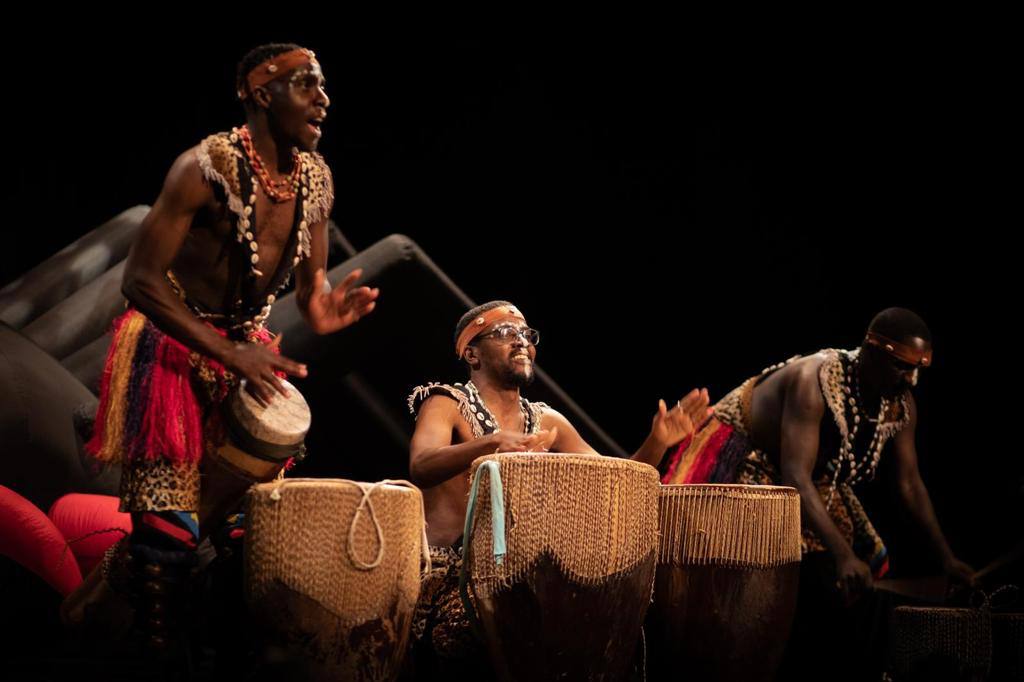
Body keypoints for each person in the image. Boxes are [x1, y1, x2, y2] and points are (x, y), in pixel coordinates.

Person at [84, 43, 378, 659]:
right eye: (307, 84)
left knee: (250, 531)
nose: (324, 99)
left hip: (243, 355)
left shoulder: (315, 181)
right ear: (260, 92)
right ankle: (143, 651)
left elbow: (311, 290)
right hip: (168, 351)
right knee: (168, 539)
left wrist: (322, 310)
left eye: (324, 86)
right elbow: (139, 280)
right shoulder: (203, 169)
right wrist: (226, 349)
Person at [661, 306, 973, 678]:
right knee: (774, 569)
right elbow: (794, 475)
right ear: (871, 351)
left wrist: (945, 558)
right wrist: (842, 556)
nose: (911, 379)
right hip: (743, 455)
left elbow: (909, 483)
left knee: (855, 567)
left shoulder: (900, 404)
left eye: (918, 369)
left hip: (804, 474)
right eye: (902, 366)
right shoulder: (813, 380)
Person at [406, 300, 709, 677]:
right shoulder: (446, 403)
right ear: (472, 354)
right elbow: (421, 465)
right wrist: (492, 442)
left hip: (519, 577)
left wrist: (657, 443)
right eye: (506, 333)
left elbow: (616, 480)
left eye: (526, 334)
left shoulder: (546, 419)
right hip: (450, 575)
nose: (521, 341)